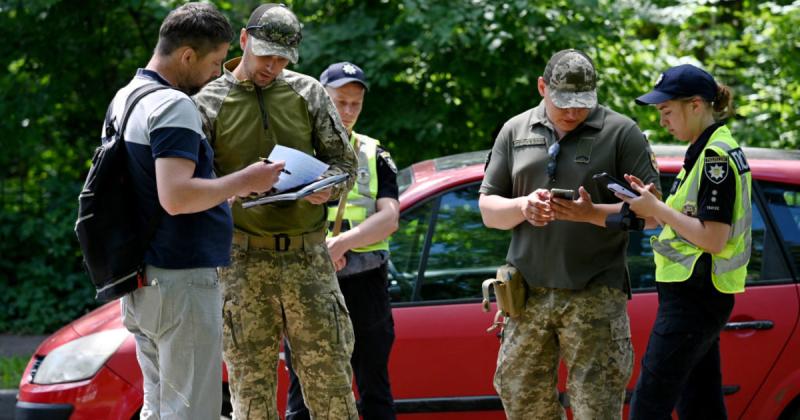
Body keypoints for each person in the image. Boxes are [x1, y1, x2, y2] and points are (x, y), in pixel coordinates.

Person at [111, 3, 285, 420]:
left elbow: (152, 189)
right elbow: (176, 197)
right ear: (187, 55)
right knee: (192, 413)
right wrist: (246, 180)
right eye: (211, 62)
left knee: (159, 410)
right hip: (181, 281)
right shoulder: (174, 106)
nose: (216, 73)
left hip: (142, 278)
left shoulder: (127, 97)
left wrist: (217, 195)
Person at [193, 4, 359, 419]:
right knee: (251, 396)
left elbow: (345, 165)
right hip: (242, 262)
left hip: (308, 259)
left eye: (283, 58)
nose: (273, 66)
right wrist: (232, 190)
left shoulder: (308, 93)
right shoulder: (208, 103)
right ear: (244, 41)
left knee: (334, 393)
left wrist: (327, 187)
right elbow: (194, 184)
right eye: (266, 55)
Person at [478, 49, 661, 419]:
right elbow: (487, 211)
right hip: (527, 295)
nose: (573, 112)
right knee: (521, 398)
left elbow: (654, 215)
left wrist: (591, 214)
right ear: (542, 87)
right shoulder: (515, 130)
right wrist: (523, 207)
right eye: (564, 102)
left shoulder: (621, 132)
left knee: (597, 407)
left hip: (594, 292)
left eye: (582, 103)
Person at [623, 64, 751, 419]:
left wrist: (658, 209)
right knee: (701, 405)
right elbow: (686, 220)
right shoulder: (704, 148)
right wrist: (653, 206)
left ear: (696, 105)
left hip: (695, 297)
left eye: (667, 111)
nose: (663, 121)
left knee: (649, 405)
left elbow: (713, 237)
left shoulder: (715, 157)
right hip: (696, 295)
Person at [283, 62, 400, 420]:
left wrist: (343, 243)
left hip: (365, 283)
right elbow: (276, 216)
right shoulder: (295, 153)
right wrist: (322, 251)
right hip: (307, 281)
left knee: (374, 388)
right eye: (339, 102)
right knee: (303, 390)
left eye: (355, 104)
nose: (348, 112)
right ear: (321, 101)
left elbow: (390, 217)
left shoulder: (374, 153)